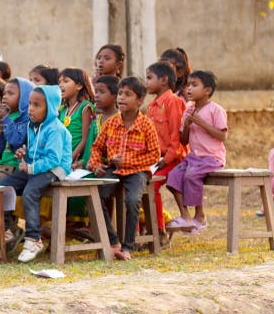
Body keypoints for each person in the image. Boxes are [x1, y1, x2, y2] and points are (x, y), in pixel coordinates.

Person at [0, 85, 72, 263]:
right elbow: (33, 152)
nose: (30, 108)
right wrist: (23, 154)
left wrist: (30, 168)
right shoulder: (32, 126)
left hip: (55, 169)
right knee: (3, 187)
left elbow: (53, 159)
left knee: (30, 192)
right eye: (30, 103)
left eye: (37, 105)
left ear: (50, 108)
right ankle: (7, 230)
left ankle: (33, 239)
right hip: (35, 167)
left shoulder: (55, 129)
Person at [88, 77, 160, 261]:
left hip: (137, 171)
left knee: (132, 200)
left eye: (128, 94)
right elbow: (97, 147)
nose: (122, 98)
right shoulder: (111, 123)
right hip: (114, 170)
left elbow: (153, 155)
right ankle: (113, 240)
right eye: (120, 93)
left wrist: (127, 161)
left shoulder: (146, 125)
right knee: (96, 196)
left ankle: (128, 246)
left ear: (140, 100)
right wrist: (96, 165)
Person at [165, 71, 228, 233]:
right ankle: (185, 215)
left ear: (207, 90)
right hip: (193, 158)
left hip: (212, 158)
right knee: (173, 176)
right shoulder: (188, 110)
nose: (189, 89)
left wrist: (201, 123)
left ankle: (200, 216)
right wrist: (186, 125)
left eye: (194, 85)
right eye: (188, 85)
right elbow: (183, 140)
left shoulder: (216, 110)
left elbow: (222, 136)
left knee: (191, 176)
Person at [145, 62, 187, 243]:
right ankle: (143, 230)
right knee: (136, 183)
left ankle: (158, 231)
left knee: (151, 185)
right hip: (156, 159)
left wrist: (166, 158)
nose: (146, 82)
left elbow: (176, 136)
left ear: (163, 80)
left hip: (174, 158)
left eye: (149, 78)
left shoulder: (174, 102)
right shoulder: (152, 106)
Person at [0, 77, 33, 249]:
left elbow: (17, 139)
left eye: (11, 93)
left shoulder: (26, 118)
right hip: (3, 163)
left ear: (24, 97)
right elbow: (0, 148)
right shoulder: (9, 116)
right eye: (4, 93)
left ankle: (8, 228)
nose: (5, 97)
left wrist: (6, 119)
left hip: (17, 167)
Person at [58, 68, 95, 170]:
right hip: (61, 157)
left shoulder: (85, 107)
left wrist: (69, 160)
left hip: (74, 159)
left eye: (65, 81)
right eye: (59, 82)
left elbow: (85, 139)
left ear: (79, 85)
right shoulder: (62, 110)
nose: (61, 85)